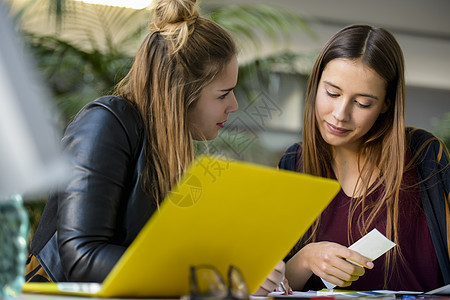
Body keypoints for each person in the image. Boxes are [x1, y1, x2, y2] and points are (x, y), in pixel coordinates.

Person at [25, 0, 287, 295]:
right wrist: (200, 274)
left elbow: (171, 254)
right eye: (223, 94)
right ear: (181, 92)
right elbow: (82, 258)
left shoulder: (173, 151)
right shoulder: (106, 122)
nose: (234, 105)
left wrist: (242, 268)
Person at [278, 24, 450, 292]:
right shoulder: (293, 163)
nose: (340, 114)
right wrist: (307, 259)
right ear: (315, 85)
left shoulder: (423, 154)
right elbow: (274, 286)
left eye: (363, 103)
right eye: (332, 93)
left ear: (386, 104)